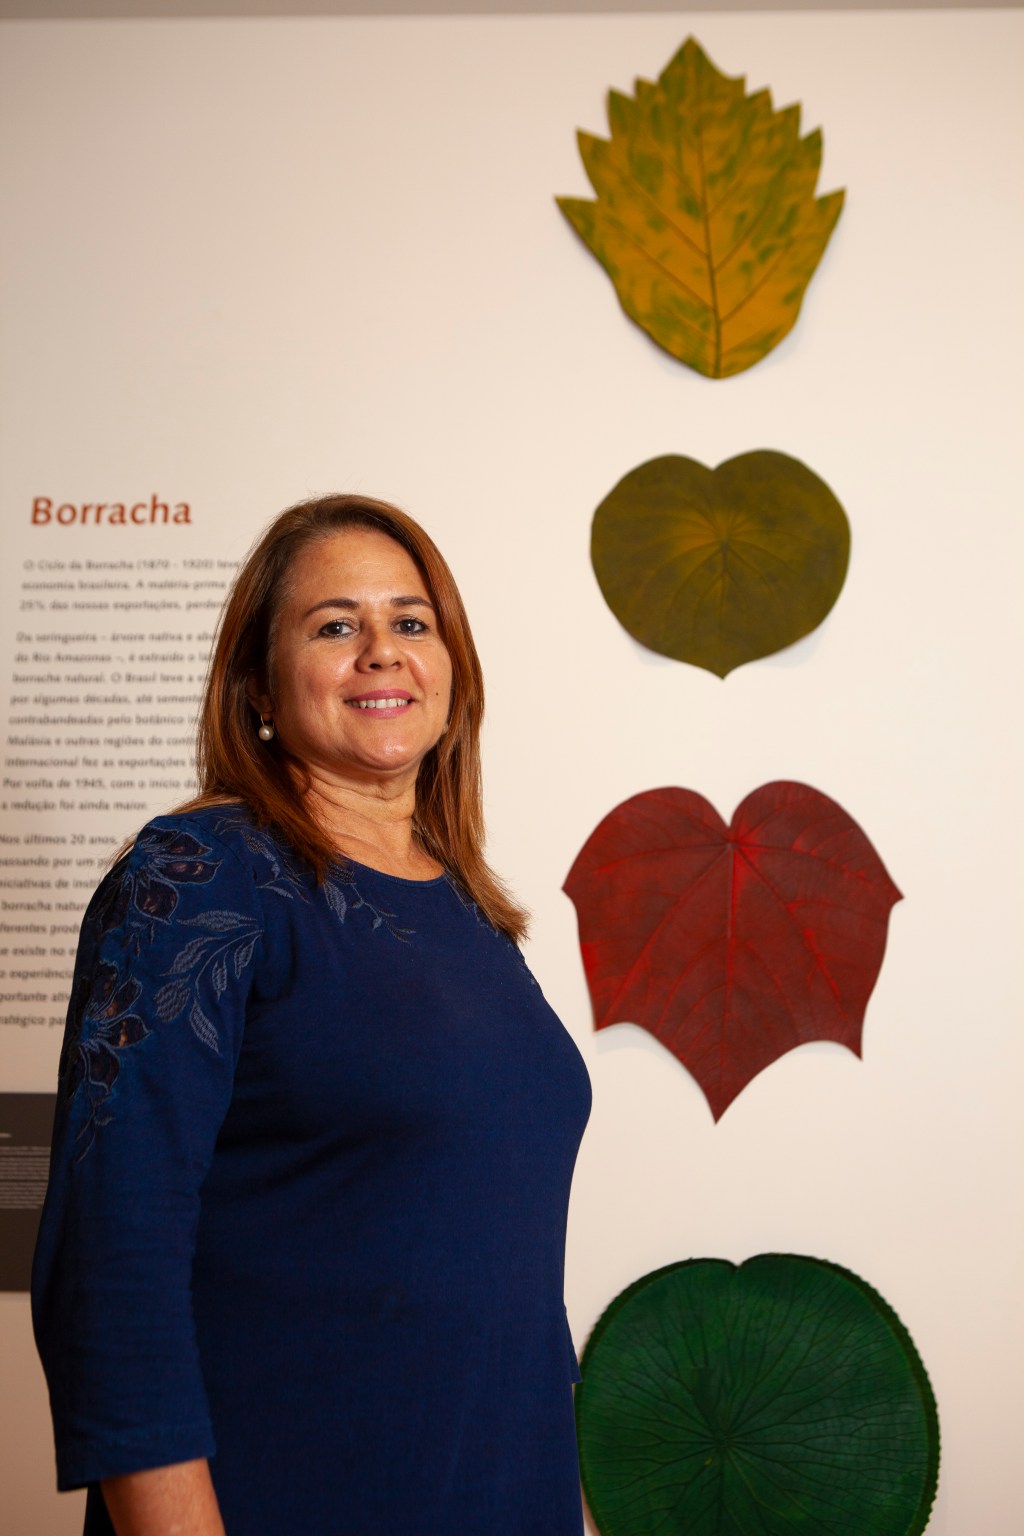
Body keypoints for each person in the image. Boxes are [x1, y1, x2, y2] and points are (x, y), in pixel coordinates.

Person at [32, 493, 592, 1536]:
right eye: (335, 626)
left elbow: (497, 1264)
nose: (382, 650)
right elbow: (113, 1266)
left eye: (410, 622)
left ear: (452, 671)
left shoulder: (466, 907)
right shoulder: (199, 878)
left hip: (495, 1494)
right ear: (257, 685)